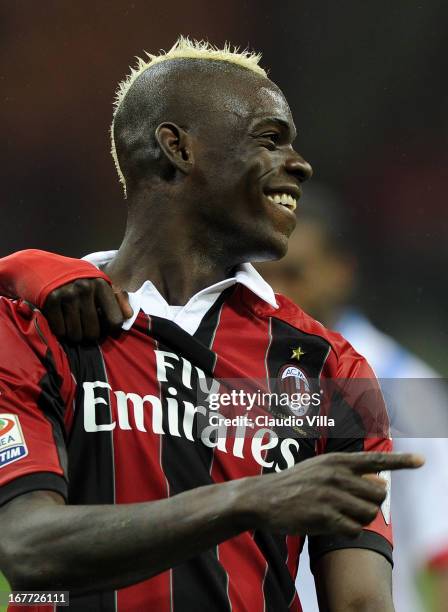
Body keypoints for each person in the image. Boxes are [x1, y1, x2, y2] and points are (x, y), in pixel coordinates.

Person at [0, 38, 423, 612]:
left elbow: (361, 604)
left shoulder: (330, 367)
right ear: (178, 147)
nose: (299, 164)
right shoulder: (33, 327)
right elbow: (28, 553)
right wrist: (251, 499)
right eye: (270, 139)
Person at [258, 183, 448, 612]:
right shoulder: (233, 380)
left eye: (295, 274)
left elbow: (443, 552)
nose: (277, 294)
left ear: (340, 272)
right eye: (264, 275)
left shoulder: (404, 385)